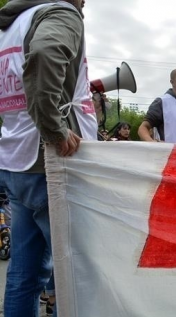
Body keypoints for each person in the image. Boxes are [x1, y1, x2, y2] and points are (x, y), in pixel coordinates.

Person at [0, 0, 97, 316]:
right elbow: (45, 54)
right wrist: (54, 127)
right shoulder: (61, 13)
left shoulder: (12, 25)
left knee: (24, 274)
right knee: (77, 273)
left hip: (17, 160)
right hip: (51, 162)